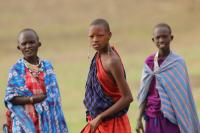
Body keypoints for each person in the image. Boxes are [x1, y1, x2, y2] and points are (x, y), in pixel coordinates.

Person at [136, 23, 200, 133]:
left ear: (171, 38)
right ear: (153, 40)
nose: (161, 40)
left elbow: (184, 96)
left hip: (173, 119)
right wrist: (138, 119)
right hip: (152, 118)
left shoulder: (178, 63)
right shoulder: (149, 62)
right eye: (158, 37)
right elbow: (144, 93)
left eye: (164, 36)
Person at [4, 28, 68, 133]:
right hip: (25, 124)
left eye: (31, 42)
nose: (28, 46)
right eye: (24, 44)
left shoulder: (48, 67)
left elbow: (55, 97)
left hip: (50, 121)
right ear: (19, 47)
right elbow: (11, 98)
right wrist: (32, 99)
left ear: (38, 44)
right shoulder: (16, 70)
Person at [81, 18, 133, 133]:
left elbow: (128, 97)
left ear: (109, 35)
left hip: (113, 123)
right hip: (98, 122)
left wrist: (100, 117)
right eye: (91, 36)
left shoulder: (112, 61)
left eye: (100, 36)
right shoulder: (98, 56)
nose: (95, 40)